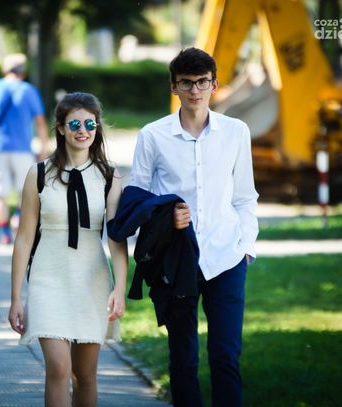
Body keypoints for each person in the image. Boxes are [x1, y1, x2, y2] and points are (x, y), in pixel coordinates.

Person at [127, 47, 259, 406]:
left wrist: (246, 248)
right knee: (183, 359)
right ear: (174, 86)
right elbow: (136, 199)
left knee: (226, 357)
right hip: (177, 260)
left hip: (227, 257)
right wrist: (165, 219)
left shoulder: (236, 132)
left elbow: (245, 197)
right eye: (186, 83)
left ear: (214, 85)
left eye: (202, 82)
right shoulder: (153, 135)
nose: (195, 90)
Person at [8, 92, 128, 406]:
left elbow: (116, 239)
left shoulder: (109, 176)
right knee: (59, 368)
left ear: (97, 127)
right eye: (74, 124)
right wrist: (16, 297)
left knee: (85, 375)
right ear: (61, 128)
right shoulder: (38, 174)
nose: (82, 130)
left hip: (92, 281)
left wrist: (120, 288)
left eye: (90, 124)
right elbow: (24, 239)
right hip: (48, 279)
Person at [0, 53, 50, 244]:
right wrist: (44, 148)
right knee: (26, 190)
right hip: (23, 150)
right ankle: (17, 216)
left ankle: (4, 232)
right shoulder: (29, 91)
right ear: (23, 71)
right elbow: (40, 122)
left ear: (4, 70)